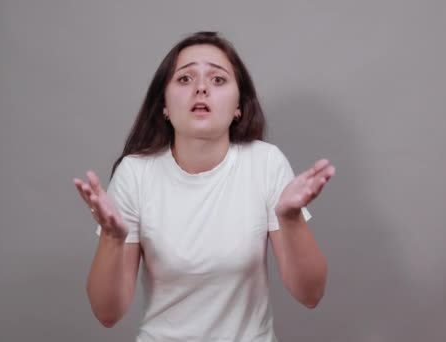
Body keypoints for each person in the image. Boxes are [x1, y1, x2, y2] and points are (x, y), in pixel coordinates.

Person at [73, 31, 335, 341]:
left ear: (239, 106)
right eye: (184, 79)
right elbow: (107, 313)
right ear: (164, 106)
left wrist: (290, 221)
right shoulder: (136, 173)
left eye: (218, 80)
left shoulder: (265, 163)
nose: (200, 88)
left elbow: (311, 294)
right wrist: (113, 240)